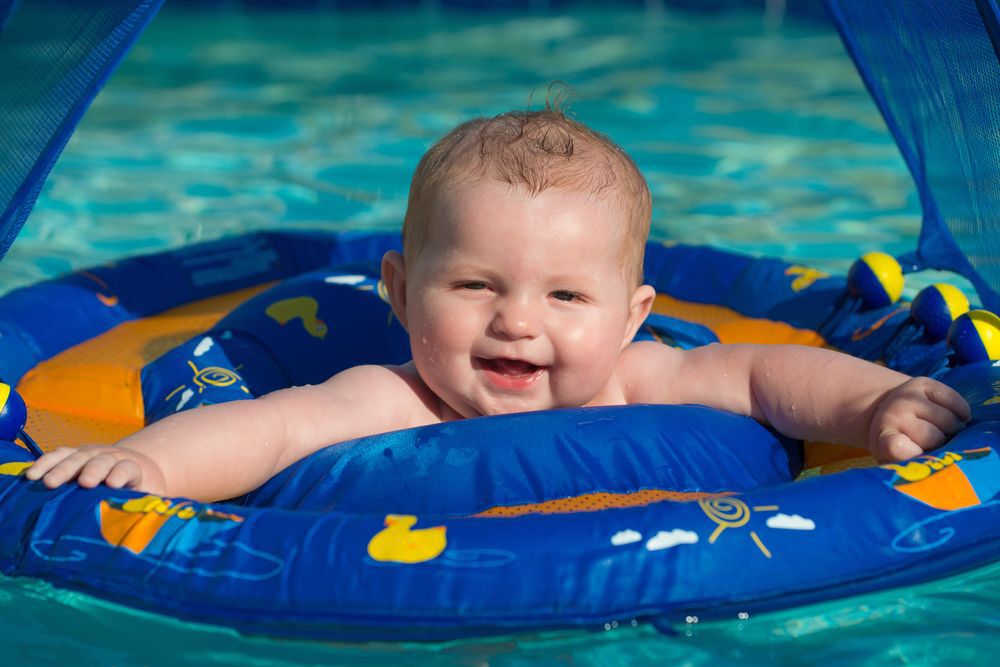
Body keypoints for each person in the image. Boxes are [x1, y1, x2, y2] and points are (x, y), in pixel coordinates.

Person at [26, 107, 971, 501]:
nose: (518, 321)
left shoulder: (645, 375)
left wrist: (875, 403)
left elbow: (767, 376)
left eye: (566, 294)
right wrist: (139, 460)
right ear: (398, 293)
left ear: (634, 316)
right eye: (475, 284)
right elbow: (269, 428)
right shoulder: (389, 396)